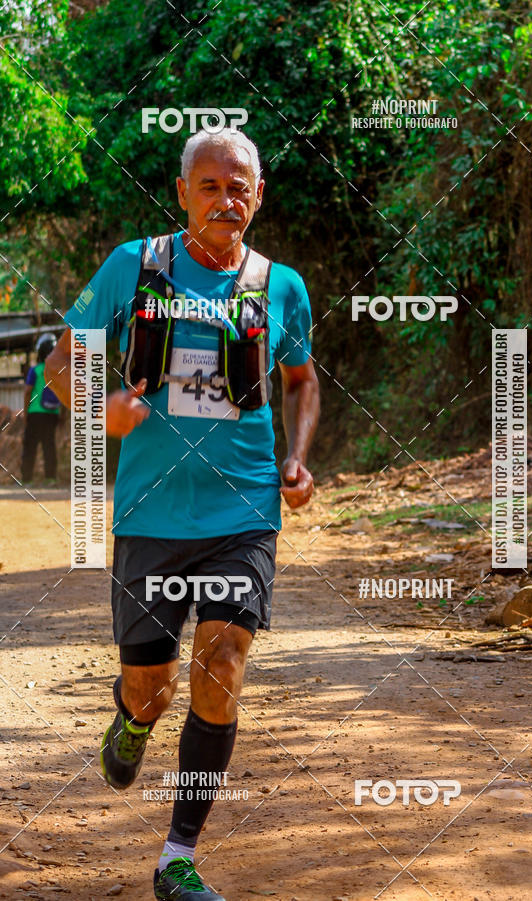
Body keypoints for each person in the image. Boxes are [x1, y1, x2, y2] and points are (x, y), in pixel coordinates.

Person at [45, 128, 320, 900]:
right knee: (152, 688)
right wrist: (104, 408)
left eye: (240, 188)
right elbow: (63, 363)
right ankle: (131, 723)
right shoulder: (134, 268)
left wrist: (296, 460)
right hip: (149, 514)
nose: (226, 200)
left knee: (221, 666)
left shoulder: (280, 285)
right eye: (211, 186)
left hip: (244, 510)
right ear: (182, 194)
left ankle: (177, 857)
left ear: (258, 197)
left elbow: (301, 381)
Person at [21, 333, 61, 484]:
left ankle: (27, 480)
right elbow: (63, 394)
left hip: (35, 413)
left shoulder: (35, 370)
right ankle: (50, 478)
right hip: (52, 414)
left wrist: (25, 412)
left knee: (30, 446)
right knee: (49, 446)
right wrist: (61, 414)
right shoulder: (58, 371)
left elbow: (27, 391)